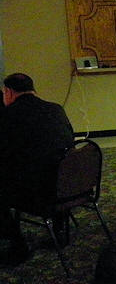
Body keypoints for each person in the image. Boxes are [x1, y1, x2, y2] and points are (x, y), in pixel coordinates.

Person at [0, 72, 74, 263]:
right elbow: (69, 143)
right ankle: (60, 230)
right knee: (52, 162)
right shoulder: (56, 109)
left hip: (38, 194)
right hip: (69, 186)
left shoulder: (7, 116)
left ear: (8, 92)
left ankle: (16, 244)